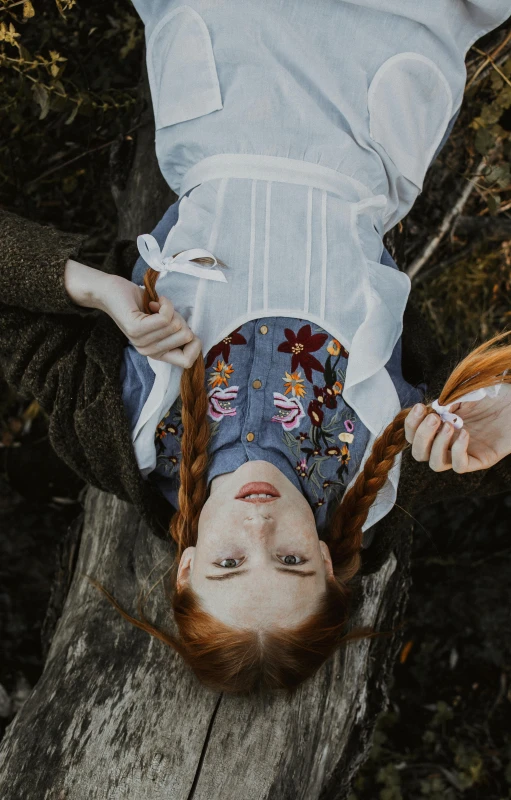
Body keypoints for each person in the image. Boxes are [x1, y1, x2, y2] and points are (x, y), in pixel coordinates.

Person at [1, 0, 510, 693]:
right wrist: (501, 404)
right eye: (293, 561)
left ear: (186, 567)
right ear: (329, 564)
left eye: (230, 563)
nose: (260, 523)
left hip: (229, 45)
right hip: (374, 77)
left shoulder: (112, 429)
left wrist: (96, 288)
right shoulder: (393, 465)